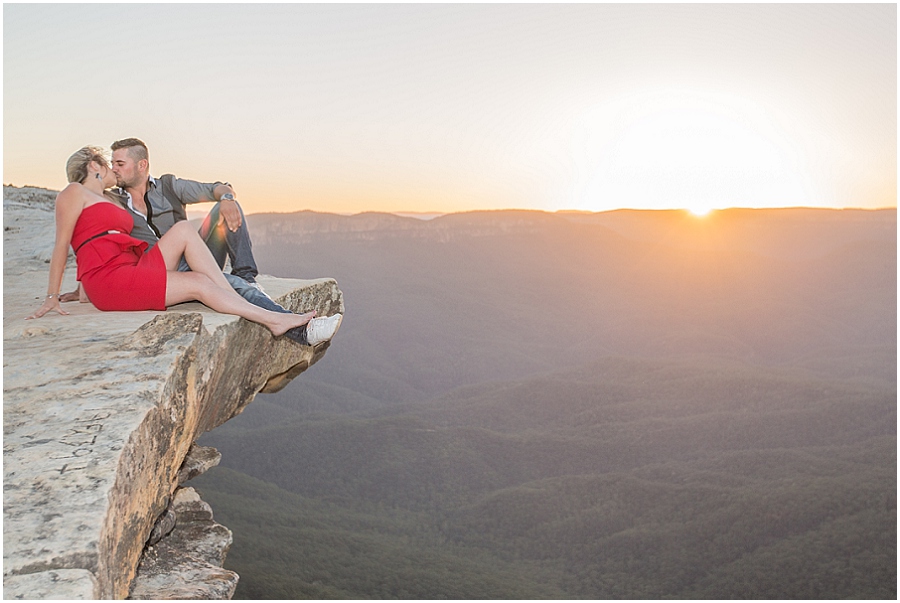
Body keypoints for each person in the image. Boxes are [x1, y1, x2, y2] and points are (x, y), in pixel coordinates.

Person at [27, 146, 342, 346]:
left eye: (120, 162)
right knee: (200, 285)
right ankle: (278, 320)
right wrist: (54, 296)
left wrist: (228, 198)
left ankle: (236, 290)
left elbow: (99, 241)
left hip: (137, 266)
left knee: (183, 230)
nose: (114, 168)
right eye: (110, 164)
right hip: (118, 278)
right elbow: (65, 245)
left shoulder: (125, 194)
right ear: (94, 166)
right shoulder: (74, 192)